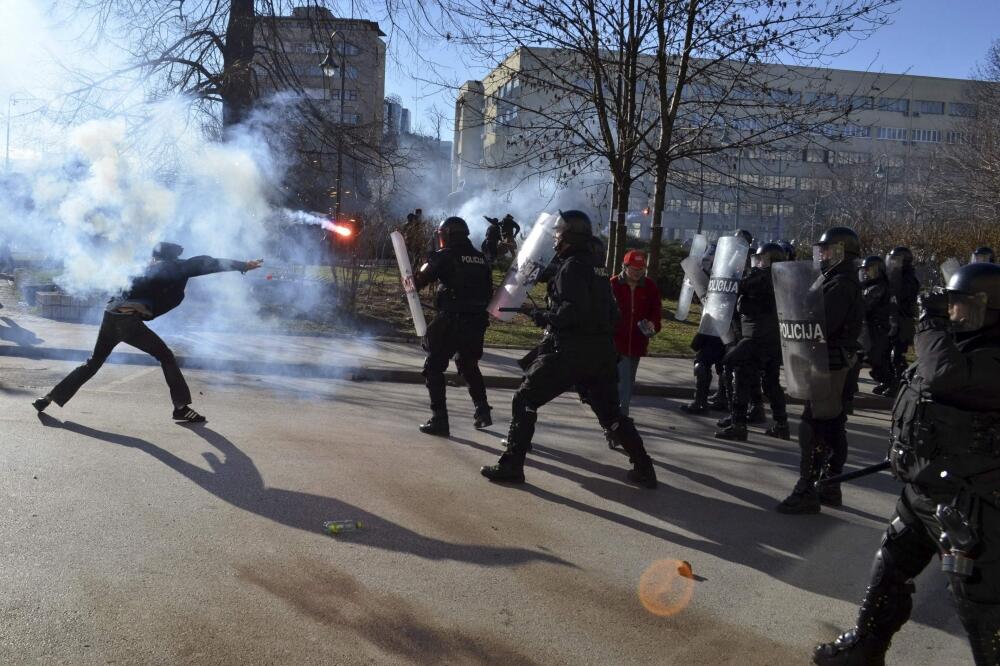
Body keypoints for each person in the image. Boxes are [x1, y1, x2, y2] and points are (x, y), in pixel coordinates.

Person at [813, 262, 1000, 666]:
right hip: (924, 490)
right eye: (952, 306)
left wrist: (929, 321)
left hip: (973, 503)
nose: (955, 315)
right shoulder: (959, 343)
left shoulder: (989, 355)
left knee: (980, 606)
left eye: (964, 307)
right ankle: (865, 648)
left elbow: (944, 377)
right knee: (891, 566)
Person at [480, 210, 657, 488]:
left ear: (570, 237)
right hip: (602, 354)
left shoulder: (573, 267)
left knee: (525, 399)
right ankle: (645, 468)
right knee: (611, 415)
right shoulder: (597, 268)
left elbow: (571, 313)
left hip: (572, 351)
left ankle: (512, 465)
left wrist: (542, 316)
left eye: (559, 233)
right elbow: (614, 315)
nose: (555, 238)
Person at [32, 243, 262, 422]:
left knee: (93, 363)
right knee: (166, 356)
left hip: (110, 317)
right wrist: (243, 264)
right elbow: (206, 263)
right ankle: (181, 407)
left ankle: (49, 398)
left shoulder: (145, 268)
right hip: (127, 322)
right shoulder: (173, 267)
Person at [776, 226, 863, 514]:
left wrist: (803, 310)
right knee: (833, 423)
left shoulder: (841, 284)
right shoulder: (834, 279)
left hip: (831, 362)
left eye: (826, 249)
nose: (822, 254)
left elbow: (826, 321)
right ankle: (829, 484)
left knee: (813, 424)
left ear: (841, 251)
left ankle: (808, 488)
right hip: (831, 360)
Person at [409, 217, 494, 436]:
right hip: (476, 323)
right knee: (468, 366)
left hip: (452, 321)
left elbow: (418, 281)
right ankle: (483, 411)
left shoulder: (445, 256)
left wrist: (416, 272)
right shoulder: (480, 258)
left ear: (446, 234)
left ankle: (440, 420)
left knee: (433, 367)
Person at [715, 242, 789, 441]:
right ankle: (782, 424)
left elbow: (739, 284)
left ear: (771, 260)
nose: (757, 261)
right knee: (771, 381)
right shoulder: (783, 278)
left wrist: (734, 272)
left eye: (762, 258)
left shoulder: (763, 276)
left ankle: (738, 423)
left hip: (755, 337)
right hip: (772, 338)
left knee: (735, 369)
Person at [610, 249, 662, 417]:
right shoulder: (612, 284)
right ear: (625, 266)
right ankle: (620, 417)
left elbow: (656, 311)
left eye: (641, 269)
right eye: (634, 269)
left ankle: (613, 414)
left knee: (628, 381)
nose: (638, 273)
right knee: (623, 381)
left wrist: (653, 324)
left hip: (638, 342)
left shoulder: (650, 286)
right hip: (616, 342)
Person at [852, 255, 893, 397]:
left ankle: (891, 385)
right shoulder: (869, 287)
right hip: (868, 329)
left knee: (877, 360)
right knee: (859, 357)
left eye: (869, 270)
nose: (865, 273)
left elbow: (864, 305)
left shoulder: (878, 287)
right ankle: (851, 386)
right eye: (864, 270)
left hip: (877, 330)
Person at [886, 246, 920, 392]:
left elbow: (903, 296)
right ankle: (890, 381)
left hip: (903, 321)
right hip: (894, 319)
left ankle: (899, 385)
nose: (893, 263)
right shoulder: (896, 276)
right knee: (887, 352)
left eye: (897, 260)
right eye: (892, 260)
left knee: (899, 355)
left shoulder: (908, 279)